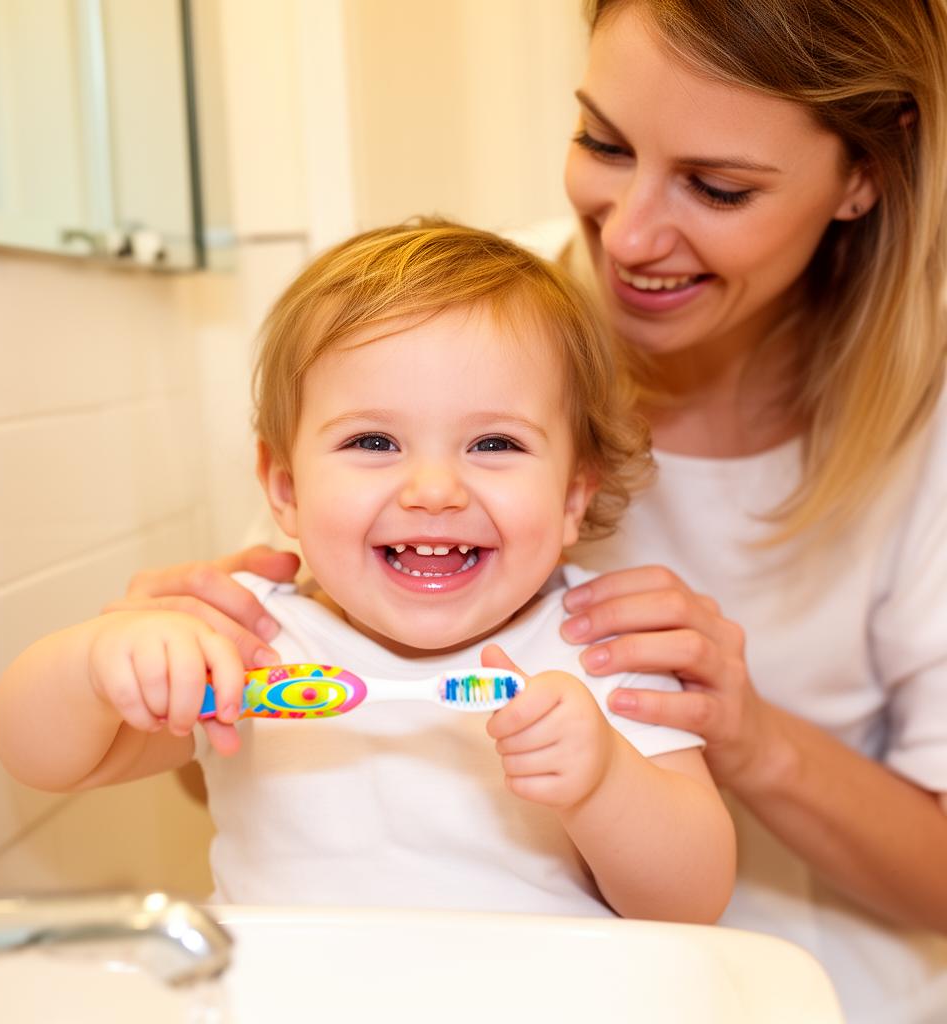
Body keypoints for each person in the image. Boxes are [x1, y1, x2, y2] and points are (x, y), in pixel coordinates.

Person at [110, 3, 947, 1020]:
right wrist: (178, 674)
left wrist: (751, 741)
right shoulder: (437, 326)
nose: (630, 234)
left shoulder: (925, 425)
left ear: (864, 173)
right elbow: (241, 785)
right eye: (602, 141)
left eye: (717, 187)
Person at [0, 222, 736, 923]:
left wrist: (606, 781)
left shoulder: (598, 646)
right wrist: (96, 667)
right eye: (375, 441)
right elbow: (42, 759)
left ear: (575, 495)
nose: (435, 489)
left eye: (495, 444)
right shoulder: (249, 640)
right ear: (284, 485)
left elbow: (691, 902)